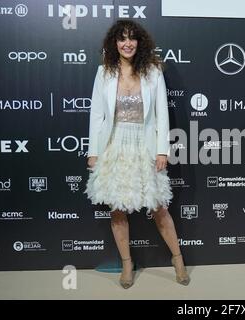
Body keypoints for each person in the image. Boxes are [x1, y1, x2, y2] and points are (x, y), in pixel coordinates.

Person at [85, 20, 190, 289]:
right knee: (117, 210)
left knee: (159, 207)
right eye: (122, 39)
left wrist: (161, 150)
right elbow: (97, 115)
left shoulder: (153, 71)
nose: (127, 43)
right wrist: (94, 152)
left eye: (132, 38)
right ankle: (127, 264)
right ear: (115, 43)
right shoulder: (104, 72)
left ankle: (178, 259)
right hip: (114, 144)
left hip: (145, 144)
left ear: (139, 41)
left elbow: (162, 114)